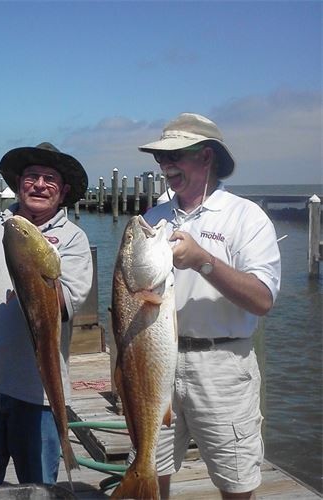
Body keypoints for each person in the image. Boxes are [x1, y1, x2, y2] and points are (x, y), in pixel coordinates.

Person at [139, 112, 281, 499]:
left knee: (236, 480)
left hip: (221, 367)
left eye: (175, 156)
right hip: (155, 364)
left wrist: (204, 261)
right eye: (160, 159)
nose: (166, 166)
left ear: (206, 157)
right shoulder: (152, 219)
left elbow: (263, 299)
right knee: (150, 471)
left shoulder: (245, 217)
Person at [0, 142, 94, 487]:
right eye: (31, 176)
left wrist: (34, 266)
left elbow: (62, 306)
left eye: (49, 178)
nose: (39, 185)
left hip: (38, 395)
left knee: (39, 489)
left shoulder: (73, 240)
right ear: (18, 183)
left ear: (64, 191)